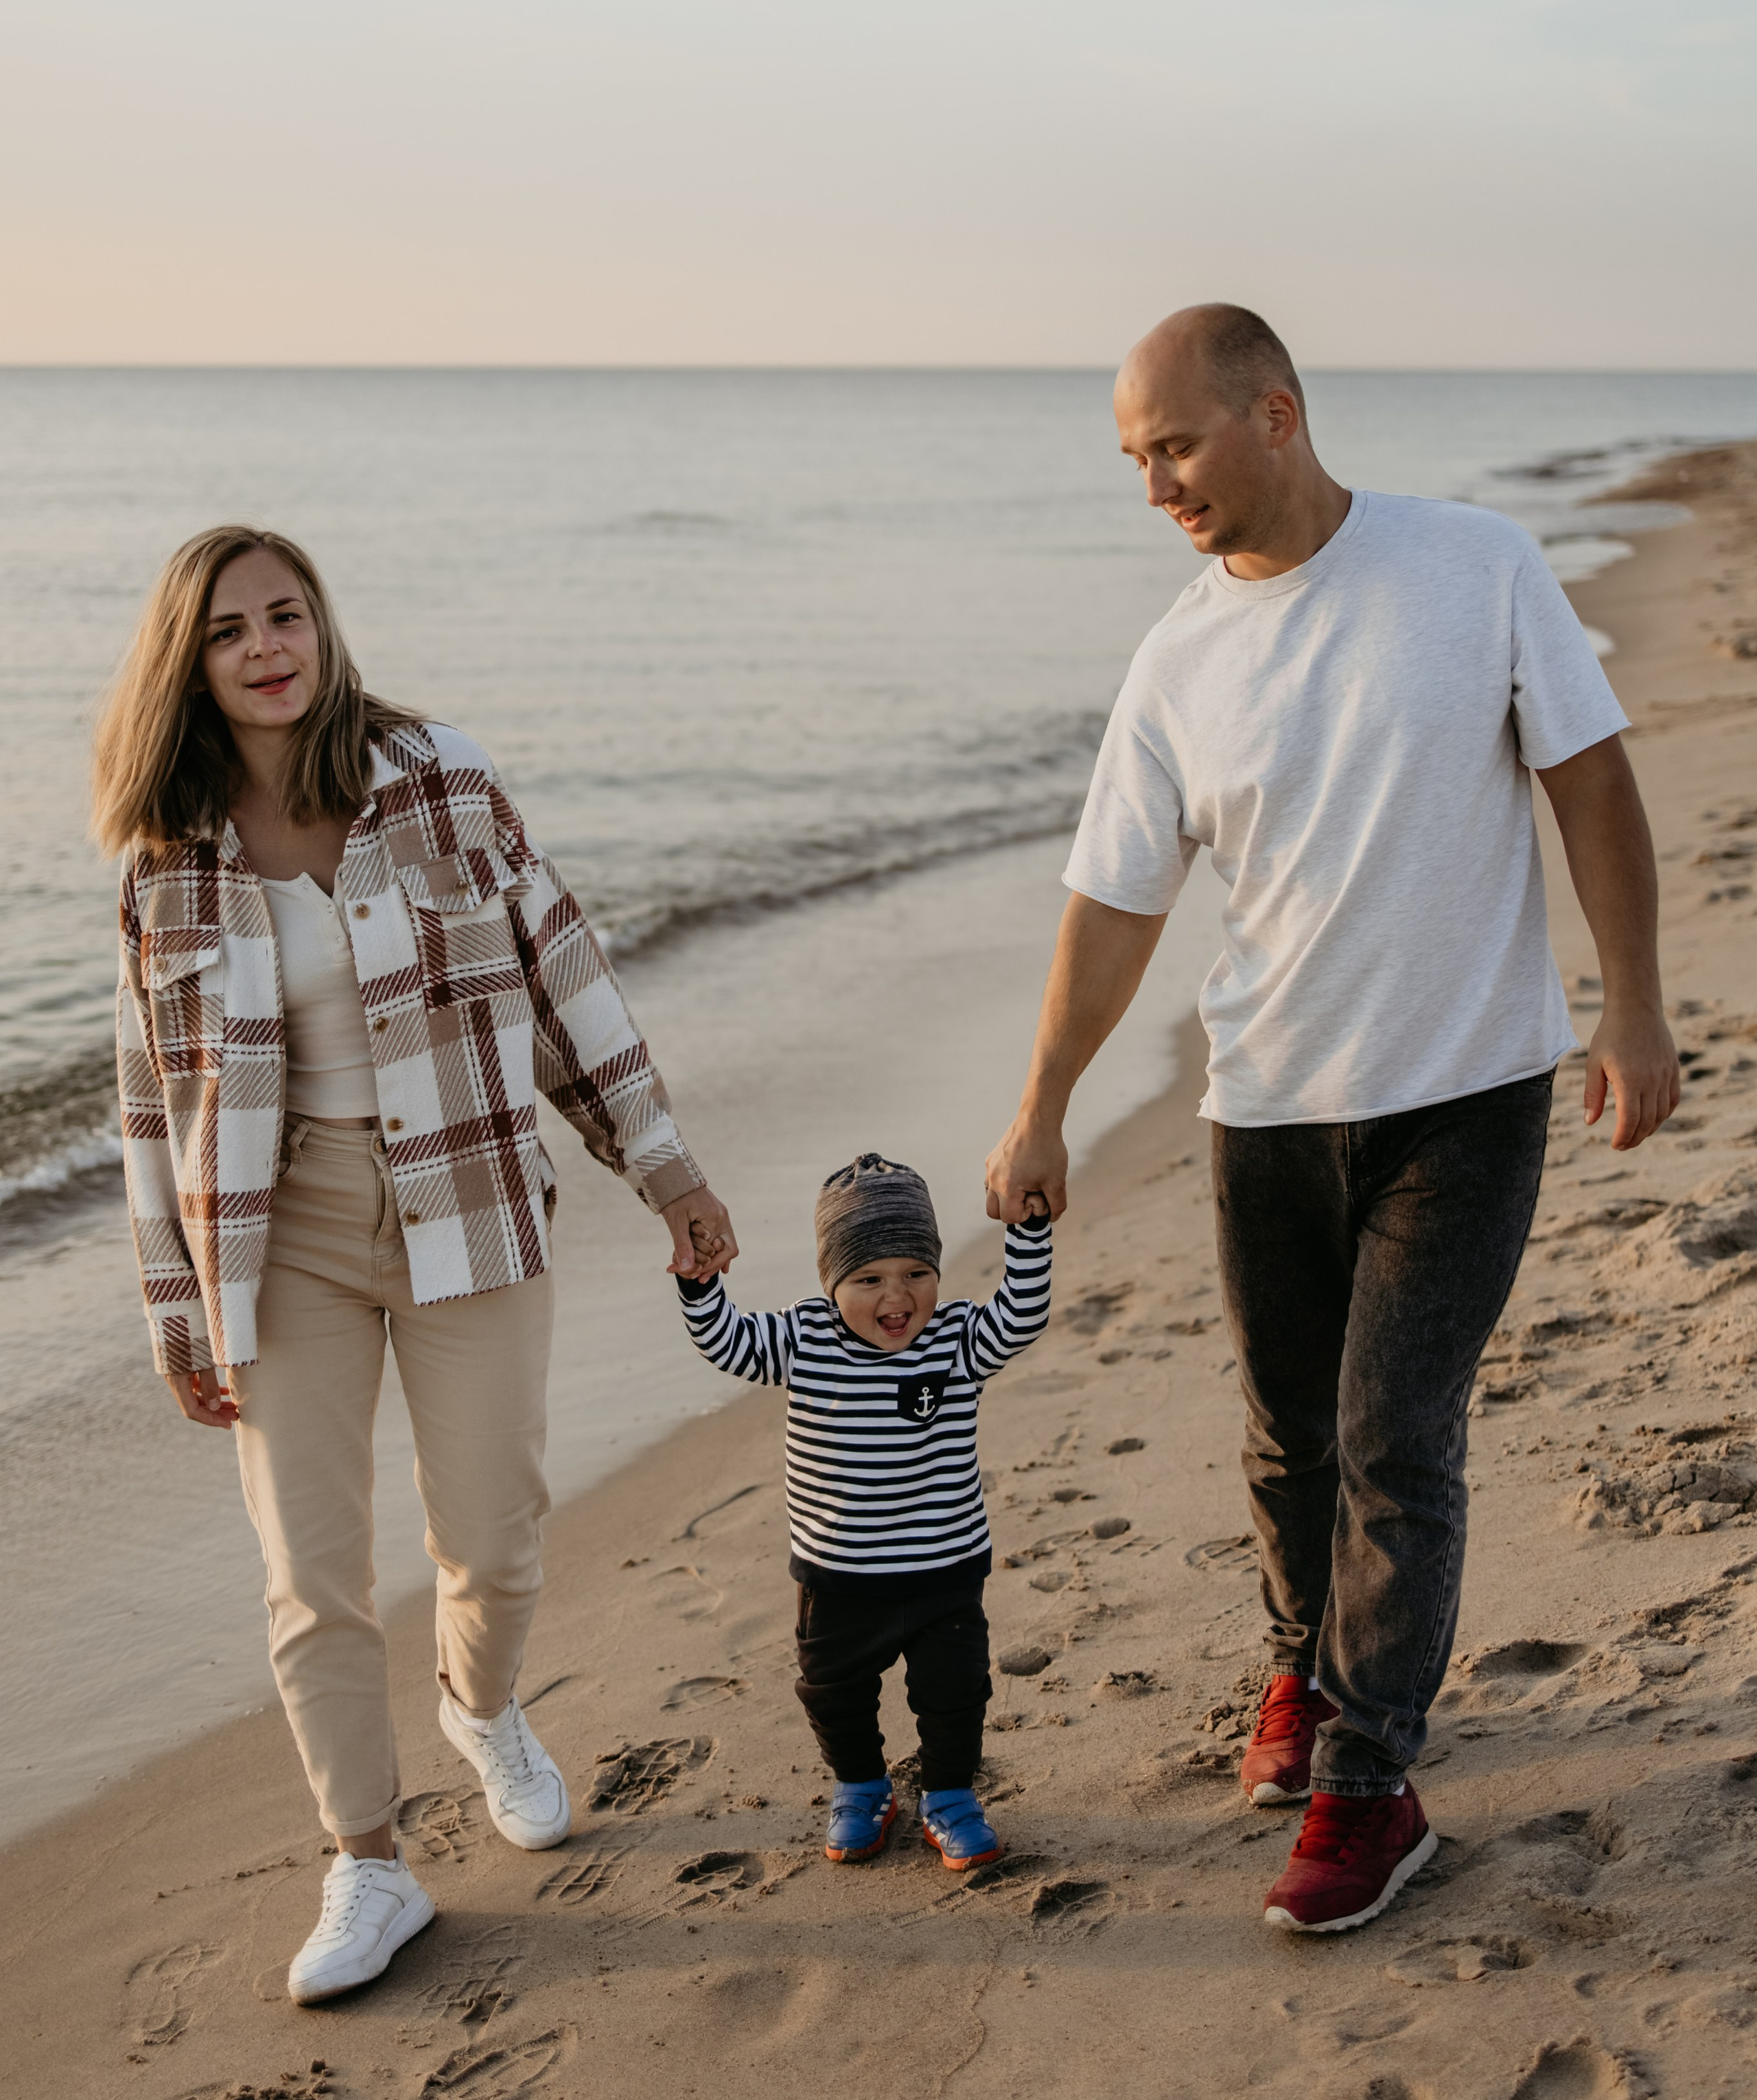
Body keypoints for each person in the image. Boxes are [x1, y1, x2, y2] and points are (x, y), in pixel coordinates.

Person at [986, 305, 1679, 1936]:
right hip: (1265, 1104)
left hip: (1466, 1090)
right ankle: (1298, 1670)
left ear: (1274, 414)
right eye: (1130, 456)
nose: (1152, 482)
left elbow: (1588, 780)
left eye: (1173, 443)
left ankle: (1369, 1783)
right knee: (1287, 1436)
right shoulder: (1173, 660)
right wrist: (1042, 1106)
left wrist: (1630, 1005)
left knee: (1389, 1436)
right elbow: (1110, 907)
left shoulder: (1471, 564)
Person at [94, 524, 736, 2003]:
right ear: (185, 665)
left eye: (286, 616)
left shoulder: (437, 774)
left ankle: (482, 1702)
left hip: (470, 1192)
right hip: (275, 1234)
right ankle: (368, 1862)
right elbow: (149, 1105)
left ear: (322, 628)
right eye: (229, 631)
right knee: (311, 1572)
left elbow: (559, 968)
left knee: (495, 1530)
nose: (266, 649)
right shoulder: (164, 862)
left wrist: (663, 1166)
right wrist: (173, 1312)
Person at [674, 1152, 1051, 1871]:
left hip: (945, 1569)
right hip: (837, 1574)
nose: (896, 1298)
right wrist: (701, 1285)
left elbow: (1022, 1316)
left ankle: (949, 1795)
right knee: (834, 1694)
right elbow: (726, 1343)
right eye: (868, 1280)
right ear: (832, 1282)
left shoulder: (956, 1338)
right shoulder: (804, 1337)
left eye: (916, 1273)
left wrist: (1028, 1235)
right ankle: (861, 1786)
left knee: (954, 1694)